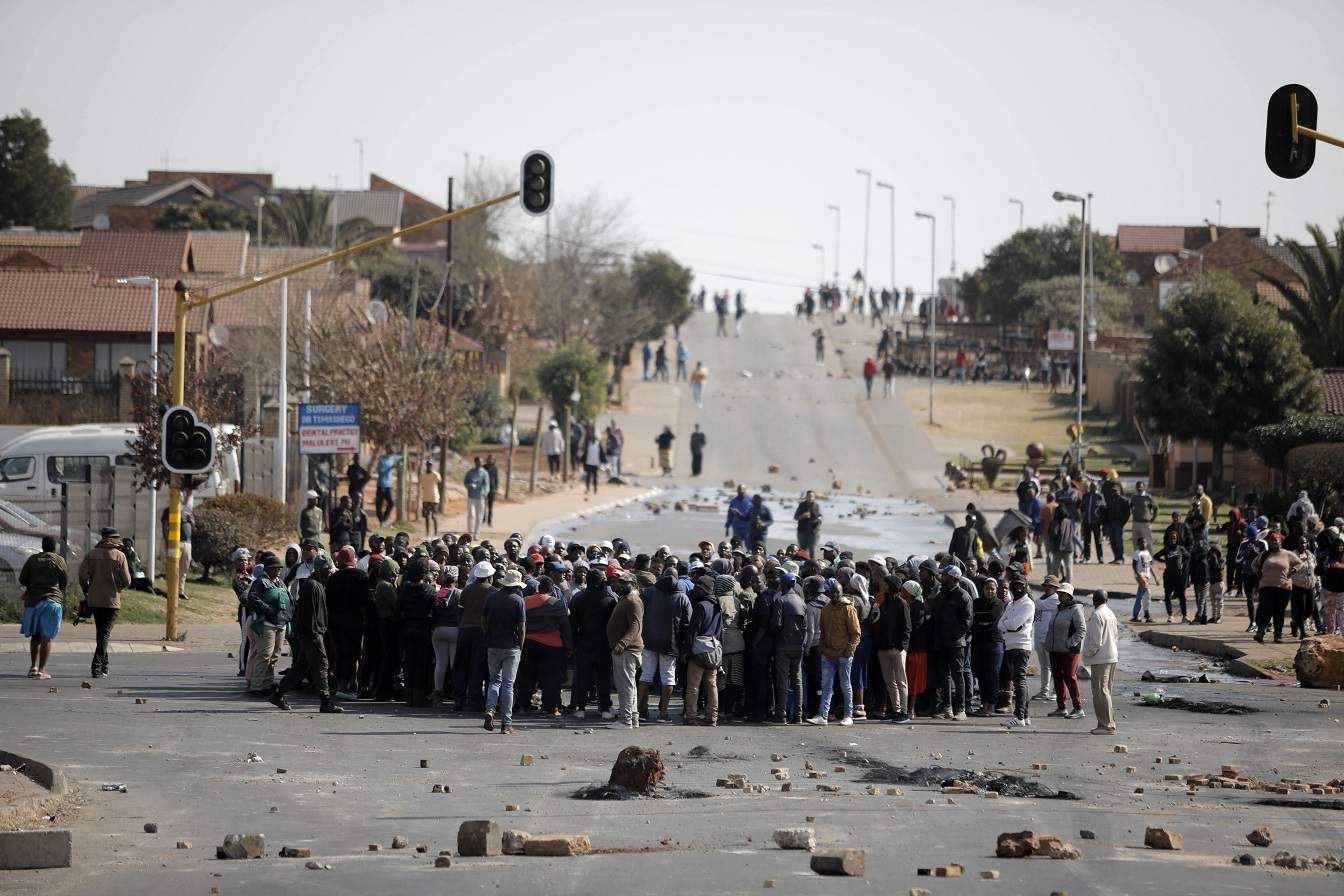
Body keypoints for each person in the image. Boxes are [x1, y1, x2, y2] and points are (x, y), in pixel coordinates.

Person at [270, 553, 344, 713]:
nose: (331, 572)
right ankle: (325, 702)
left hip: (312, 633)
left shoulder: (317, 584)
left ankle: (278, 694)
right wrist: (315, 635)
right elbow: (309, 614)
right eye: (329, 569)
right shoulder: (312, 586)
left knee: (301, 666)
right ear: (322, 569)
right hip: (312, 635)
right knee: (321, 665)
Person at [78, 526, 132, 680]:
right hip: (112, 600)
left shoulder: (91, 555)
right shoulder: (119, 556)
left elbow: (82, 576)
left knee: (101, 633)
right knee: (105, 633)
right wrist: (117, 587)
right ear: (115, 540)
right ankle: (96, 667)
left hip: (94, 600)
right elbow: (127, 580)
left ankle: (104, 665)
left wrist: (87, 590)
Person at [638, 568, 691, 723]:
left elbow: (639, 611)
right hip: (670, 644)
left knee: (646, 675)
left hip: (648, 640)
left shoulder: (649, 592)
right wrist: (684, 646)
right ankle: (663, 714)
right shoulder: (682, 597)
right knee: (668, 678)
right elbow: (687, 623)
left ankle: (637, 711)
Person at [807, 578, 860, 726]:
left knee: (845, 685)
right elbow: (823, 631)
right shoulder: (826, 609)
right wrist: (822, 649)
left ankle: (848, 715)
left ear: (842, 593)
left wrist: (849, 652)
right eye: (832, 592)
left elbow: (856, 633)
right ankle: (823, 715)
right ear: (828, 593)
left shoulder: (849, 609)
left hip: (844, 655)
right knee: (826, 685)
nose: (835, 595)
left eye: (838, 592)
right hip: (828, 654)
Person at [481, 567, 527, 734]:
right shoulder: (518, 600)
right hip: (511, 646)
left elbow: (483, 621)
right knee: (508, 685)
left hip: (492, 644)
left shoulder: (492, 597)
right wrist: (521, 645)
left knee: (494, 681)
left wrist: (489, 635)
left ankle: (490, 709)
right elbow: (521, 627)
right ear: (517, 585)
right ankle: (506, 724)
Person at [570, 566, 617, 720]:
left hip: (584, 643)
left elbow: (572, 624)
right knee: (603, 678)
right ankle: (604, 709)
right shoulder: (609, 601)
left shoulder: (578, 599)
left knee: (583, 677)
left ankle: (581, 708)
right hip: (603, 644)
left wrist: (574, 642)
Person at [19, 535, 67, 680]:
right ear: (54, 548)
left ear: (42, 546)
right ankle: (42, 670)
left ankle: (33, 667)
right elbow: (64, 582)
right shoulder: (59, 560)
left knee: (35, 636)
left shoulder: (33, 559)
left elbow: (22, 579)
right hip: (52, 602)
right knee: (47, 637)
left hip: (33, 602)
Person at [245, 553, 291, 697]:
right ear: (268, 569)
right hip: (267, 623)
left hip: (281, 623)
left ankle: (267, 684)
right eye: (275, 568)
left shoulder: (280, 582)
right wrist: (266, 609)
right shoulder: (261, 581)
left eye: (279, 568)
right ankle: (256, 686)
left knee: (274, 656)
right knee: (264, 654)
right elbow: (252, 597)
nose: (278, 570)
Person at [681, 575, 725, 726]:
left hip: (699, 650)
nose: (695, 591)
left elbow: (693, 630)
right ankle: (712, 718)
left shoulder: (701, 606)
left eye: (699, 588)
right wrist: (720, 650)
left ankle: (691, 716)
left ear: (706, 590)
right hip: (714, 650)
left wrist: (685, 651)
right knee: (711, 685)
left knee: (693, 685)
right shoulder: (717, 604)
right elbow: (720, 630)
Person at [930, 565, 973, 720]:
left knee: (958, 675)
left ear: (952, 577)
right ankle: (947, 707)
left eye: (944, 575)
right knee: (944, 676)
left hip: (956, 644)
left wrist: (952, 635)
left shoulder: (962, 596)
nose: (941, 577)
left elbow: (967, 621)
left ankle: (960, 709)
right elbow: (935, 617)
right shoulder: (941, 594)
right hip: (941, 643)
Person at [605, 569, 644, 730]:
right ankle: (632, 718)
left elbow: (636, 625)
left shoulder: (633, 601)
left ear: (633, 584)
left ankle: (625, 720)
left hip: (627, 650)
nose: (620, 585)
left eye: (624, 582)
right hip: (626, 649)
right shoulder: (627, 599)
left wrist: (623, 642)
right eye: (619, 582)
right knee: (629, 685)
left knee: (625, 686)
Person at [998, 575, 1035, 729]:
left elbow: (1014, 625)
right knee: (1019, 681)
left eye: (1021, 586)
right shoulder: (1012, 604)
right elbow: (1000, 624)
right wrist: (1009, 625)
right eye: (1016, 585)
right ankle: (1024, 716)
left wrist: (1008, 625)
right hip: (1010, 645)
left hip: (1021, 646)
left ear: (1026, 586)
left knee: (1019, 682)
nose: (1018, 589)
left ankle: (1019, 716)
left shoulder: (1028, 604)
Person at [1045, 582, 1087, 720]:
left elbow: (1081, 630)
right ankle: (1061, 707)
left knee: (1070, 677)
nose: (1059, 596)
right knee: (1057, 677)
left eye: (1062, 594)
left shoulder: (1076, 610)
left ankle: (1078, 707)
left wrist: (1069, 643)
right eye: (1059, 593)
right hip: (1054, 649)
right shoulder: (1056, 609)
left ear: (1069, 596)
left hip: (1069, 651)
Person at [770, 572, 807, 724]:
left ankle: (781, 715)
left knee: (783, 680)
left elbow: (775, 625)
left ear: (783, 586)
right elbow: (805, 626)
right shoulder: (802, 602)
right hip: (798, 647)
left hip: (783, 646)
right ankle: (798, 715)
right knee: (797, 680)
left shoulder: (780, 601)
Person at [875, 572, 911, 723]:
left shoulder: (901, 603)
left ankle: (904, 711)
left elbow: (907, 627)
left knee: (901, 680)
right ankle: (895, 710)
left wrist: (900, 646)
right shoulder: (884, 603)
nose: (883, 586)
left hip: (897, 649)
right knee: (889, 681)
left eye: (886, 584)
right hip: (884, 649)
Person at [1252, 533, 1300, 643]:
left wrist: (1294, 570)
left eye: (1276, 540)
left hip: (1283, 587)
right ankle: (1260, 632)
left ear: (1280, 542)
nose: (1274, 542)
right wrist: (1259, 575)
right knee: (1265, 609)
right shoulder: (1265, 554)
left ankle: (1278, 635)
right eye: (1272, 540)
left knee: (1279, 612)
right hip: (1266, 586)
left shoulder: (1287, 554)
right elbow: (1254, 565)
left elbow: (1299, 563)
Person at [1082, 589, 1118, 735]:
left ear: (1094, 601)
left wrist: (1087, 654)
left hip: (1101, 659)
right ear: (1106, 600)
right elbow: (1115, 637)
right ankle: (1108, 723)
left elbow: (1096, 642)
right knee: (1106, 691)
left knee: (1100, 692)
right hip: (1111, 656)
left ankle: (1106, 725)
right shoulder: (1110, 613)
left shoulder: (1097, 615)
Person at [970, 577, 1004, 717]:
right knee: (981, 676)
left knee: (992, 675)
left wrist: (977, 617)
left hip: (993, 643)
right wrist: (980, 620)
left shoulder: (998, 603)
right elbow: (970, 618)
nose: (989, 591)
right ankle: (984, 705)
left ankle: (992, 705)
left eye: (992, 589)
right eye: (987, 588)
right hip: (978, 643)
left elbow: (993, 615)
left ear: (996, 590)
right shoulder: (977, 602)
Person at [160, 496, 195, 601]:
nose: (180, 498)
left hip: (187, 543)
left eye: (181, 497)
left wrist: (190, 520)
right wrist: (167, 542)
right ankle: (171, 590)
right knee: (172, 567)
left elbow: (193, 524)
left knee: (184, 568)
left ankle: (180, 591)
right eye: (177, 496)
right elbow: (164, 526)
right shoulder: (169, 510)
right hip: (175, 543)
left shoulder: (187, 509)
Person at [1032, 575, 1060, 700]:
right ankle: (1044, 690)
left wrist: (1038, 601)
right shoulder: (1043, 599)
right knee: (1044, 666)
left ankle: (1056, 691)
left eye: (1050, 586)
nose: (1047, 588)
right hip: (1038, 636)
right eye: (1046, 586)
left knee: (1054, 666)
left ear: (1055, 588)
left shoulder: (1055, 599)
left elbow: (1039, 605)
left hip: (1050, 637)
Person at [1130, 536, 1157, 622]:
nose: (1143, 544)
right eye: (1141, 542)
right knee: (1147, 593)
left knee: (1140, 596)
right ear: (1138, 544)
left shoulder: (1147, 553)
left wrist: (1156, 578)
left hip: (1147, 576)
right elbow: (1134, 566)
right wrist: (1139, 575)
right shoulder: (1137, 553)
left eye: (1144, 542)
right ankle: (1147, 614)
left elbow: (1149, 566)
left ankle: (1135, 615)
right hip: (1140, 576)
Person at [464, 457, 489, 539]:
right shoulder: (471, 472)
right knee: (471, 514)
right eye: (478, 462)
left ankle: (476, 533)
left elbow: (487, 485)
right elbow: (465, 482)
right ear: (475, 462)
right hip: (471, 496)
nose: (479, 463)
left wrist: (485, 492)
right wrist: (469, 485)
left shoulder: (484, 473)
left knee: (479, 515)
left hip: (480, 497)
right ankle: (470, 532)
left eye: (481, 462)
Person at [1129, 482, 1158, 554]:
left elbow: (1155, 508)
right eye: (1138, 487)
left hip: (1145, 523)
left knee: (1147, 541)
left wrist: (1153, 518)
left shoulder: (1148, 497)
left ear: (1144, 487)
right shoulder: (1134, 497)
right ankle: (1137, 557)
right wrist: (1133, 512)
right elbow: (1130, 506)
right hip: (1136, 522)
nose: (1139, 488)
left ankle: (1150, 559)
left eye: (1141, 487)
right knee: (1136, 541)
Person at [794, 490, 823, 558]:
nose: (810, 498)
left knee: (812, 549)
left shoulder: (817, 506)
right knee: (803, 549)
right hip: (802, 530)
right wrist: (803, 516)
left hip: (814, 530)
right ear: (806, 497)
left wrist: (819, 519)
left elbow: (820, 516)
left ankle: (812, 564)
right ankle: (803, 563)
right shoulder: (801, 505)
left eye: (812, 496)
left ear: (814, 497)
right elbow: (796, 517)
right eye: (809, 496)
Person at [420, 461, 442, 537]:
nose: (429, 467)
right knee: (426, 517)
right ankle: (427, 534)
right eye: (428, 465)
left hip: (434, 498)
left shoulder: (435, 475)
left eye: (430, 465)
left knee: (434, 516)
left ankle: (435, 534)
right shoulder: (423, 476)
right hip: (426, 498)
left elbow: (439, 484)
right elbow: (422, 486)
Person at [581, 427, 605, 495]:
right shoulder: (589, 445)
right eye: (593, 438)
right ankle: (588, 489)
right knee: (588, 477)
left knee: (595, 478)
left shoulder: (598, 445)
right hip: (589, 463)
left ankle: (595, 489)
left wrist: (603, 462)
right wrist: (582, 460)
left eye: (595, 438)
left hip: (596, 464)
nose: (593, 439)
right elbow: (586, 454)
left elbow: (602, 454)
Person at [484, 455, 500, 526]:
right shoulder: (483, 468)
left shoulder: (495, 468)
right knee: (483, 505)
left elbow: (496, 479)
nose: (491, 460)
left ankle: (489, 521)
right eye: (490, 459)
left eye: (492, 459)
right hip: (484, 488)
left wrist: (496, 488)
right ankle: (483, 520)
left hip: (492, 489)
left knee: (490, 506)